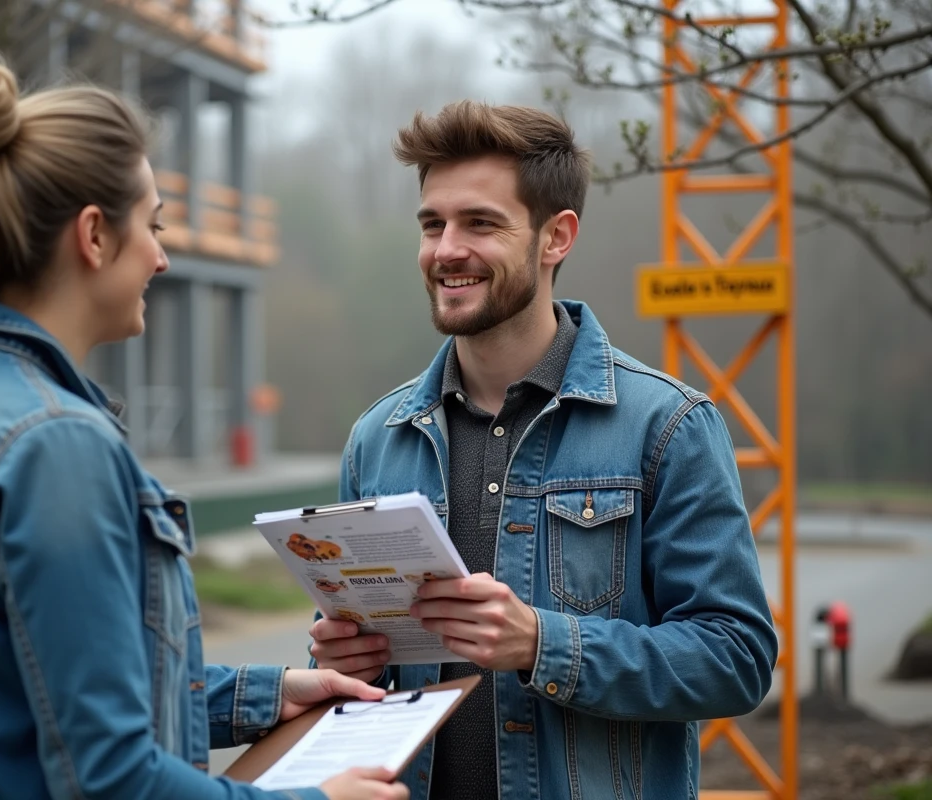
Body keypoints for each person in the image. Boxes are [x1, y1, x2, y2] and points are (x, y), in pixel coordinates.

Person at [0, 52, 407, 800]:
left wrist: (270, 695)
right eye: (153, 224)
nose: (163, 258)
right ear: (94, 236)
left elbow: (26, 693)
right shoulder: (54, 447)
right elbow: (109, 776)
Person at [307, 100, 779, 800]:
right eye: (432, 224)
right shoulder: (377, 437)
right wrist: (345, 661)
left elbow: (736, 660)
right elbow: (360, 685)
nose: (446, 250)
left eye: (480, 223)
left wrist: (541, 644)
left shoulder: (668, 424)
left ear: (556, 237)